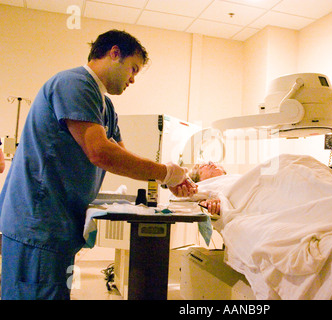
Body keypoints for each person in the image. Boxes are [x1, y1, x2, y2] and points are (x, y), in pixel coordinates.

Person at [0, 29, 196, 300]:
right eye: (133, 69)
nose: (133, 79)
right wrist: (166, 173)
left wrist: (171, 179)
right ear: (115, 54)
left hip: (58, 225)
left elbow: (121, 155)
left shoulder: (105, 106)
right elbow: (100, 153)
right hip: (38, 223)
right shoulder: (74, 84)